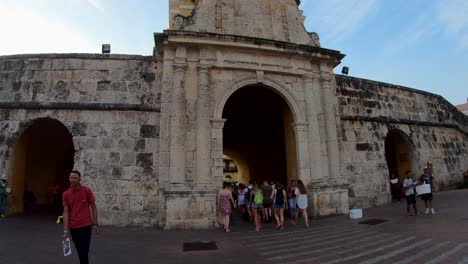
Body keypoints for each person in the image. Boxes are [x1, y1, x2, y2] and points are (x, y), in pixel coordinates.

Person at [62, 170, 99, 264]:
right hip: (73, 228)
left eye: (75, 178)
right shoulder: (66, 194)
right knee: (80, 252)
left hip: (86, 226)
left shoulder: (86, 190)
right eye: (71, 177)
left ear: (79, 179)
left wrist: (95, 224)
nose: (73, 179)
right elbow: (65, 212)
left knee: (84, 251)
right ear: (69, 179)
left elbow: (93, 207)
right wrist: (65, 231)